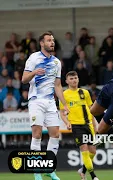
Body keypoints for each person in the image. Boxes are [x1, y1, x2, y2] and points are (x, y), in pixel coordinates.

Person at [22, 32, 69, 180]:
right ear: (42, 43)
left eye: (53, 40)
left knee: (55, 134)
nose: (52, 43)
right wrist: (35, 72)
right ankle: (36, 171)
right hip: (36, 100)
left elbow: (58, 85)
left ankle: (48, 168)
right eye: (49, 40)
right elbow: (24, 79)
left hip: (50, 102)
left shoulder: (56, 63)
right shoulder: (33, 58)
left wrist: (64, 104)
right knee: (36, 134)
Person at [59, 71, 99, 180]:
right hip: (76, 126)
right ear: (67, 81)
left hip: (88, 125)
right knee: (84, 149)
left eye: (75, 78)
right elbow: (62, 113)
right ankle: (93, 176)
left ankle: (83, 170)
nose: (74, 80)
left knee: (93, 152)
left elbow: (92, 111)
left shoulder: (85, 92)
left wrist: (95, 126)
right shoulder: (64, 95)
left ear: (78, 79)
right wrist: (67, 122)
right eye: (71, 78)